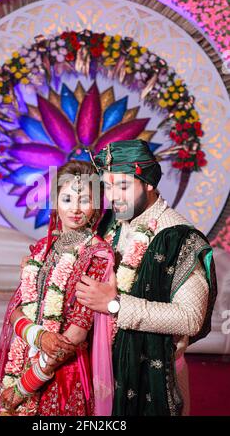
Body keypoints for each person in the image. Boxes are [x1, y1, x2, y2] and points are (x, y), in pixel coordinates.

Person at [76, 140, 217, 416]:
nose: (113, 196)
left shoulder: (177, 236)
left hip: (155, 376)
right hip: (106, 371)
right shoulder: (111, 224)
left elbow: (190, 317)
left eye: (124, 186)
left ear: (149, 183)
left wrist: (115, 305)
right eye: (108, 186)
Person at [0, 160, 114, 416]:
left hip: (65, 374)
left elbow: (75, 334)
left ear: (96, 206)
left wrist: (24, 387)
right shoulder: (42, 248)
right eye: (67, 199)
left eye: (85, 200)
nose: (75, 209)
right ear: (55, 201)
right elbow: (16, 308)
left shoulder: (97, 254)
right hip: (26, 357)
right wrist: (38, 336)